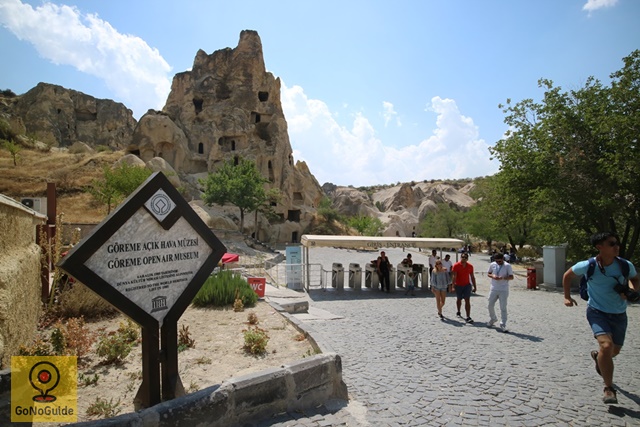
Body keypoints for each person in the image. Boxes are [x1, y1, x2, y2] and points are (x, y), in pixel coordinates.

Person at [562, 232, 639, 405]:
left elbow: (635, 279)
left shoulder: (625, 265)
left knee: (614, 351)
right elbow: (567, 275)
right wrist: (567, 297)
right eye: (611, 243)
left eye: (616, 243)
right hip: (597, 311)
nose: (616, 246)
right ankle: (609, 388)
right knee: (607, 345)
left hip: (619, 314)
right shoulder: (588, 265)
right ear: (600, 247)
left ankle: (599, 358)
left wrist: (633, 291)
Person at [487, 252, 514, 332]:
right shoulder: (492, 264)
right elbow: (489, 273)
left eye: (500, 261)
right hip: (494, 288)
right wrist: (493, 276)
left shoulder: (507, 266)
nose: (498, 262)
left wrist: (503, 278)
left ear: (503, 259)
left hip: (503, 289)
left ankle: (503, 324)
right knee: (490, 305)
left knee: (503, 307)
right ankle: (493, 318)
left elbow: (511, 277)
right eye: (497, 261)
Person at [450, 253, 477, 323]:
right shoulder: (456, 265)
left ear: (467, 258)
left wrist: (475, 286)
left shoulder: (470, 266)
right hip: (458, 285)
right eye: (462, 257)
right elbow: (454, 276)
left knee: (467, 300)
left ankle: (468, 316)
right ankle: (458, 311)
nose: (463, 258)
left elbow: (472, 276)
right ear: (460, 257)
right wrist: (453, 286)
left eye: (465, 257)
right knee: (459, 299)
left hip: (467, 285)